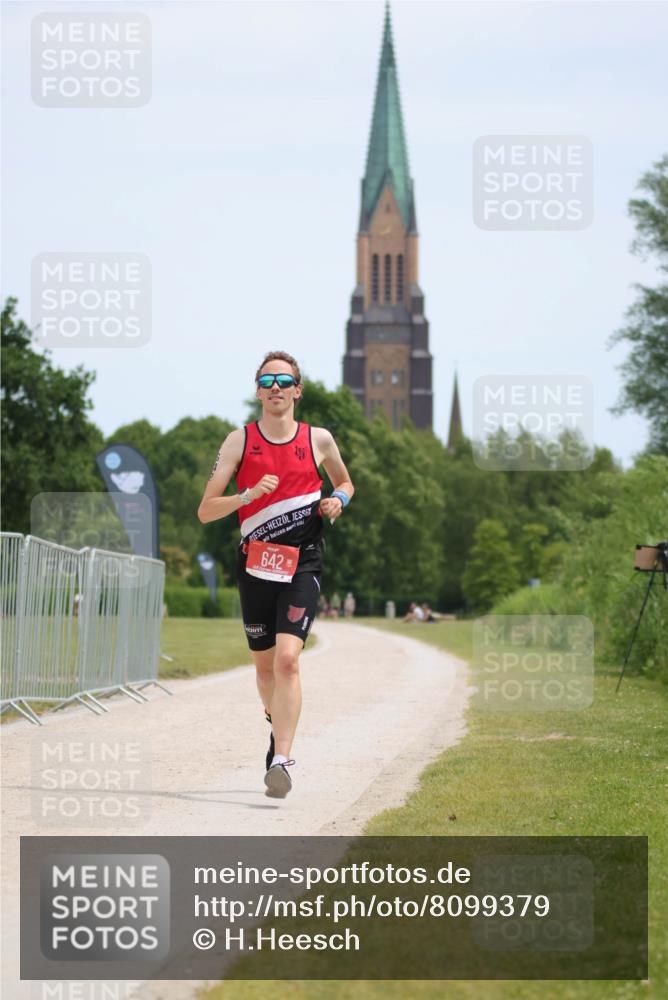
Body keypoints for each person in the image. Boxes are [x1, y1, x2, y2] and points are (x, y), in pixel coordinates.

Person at [197, 351, 354, 799]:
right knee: (264, 669)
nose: (276, 388)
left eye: (285, 380)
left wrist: (337, 501)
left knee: (288, 660)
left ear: (298, 390)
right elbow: (206, 510)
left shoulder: (318, 439)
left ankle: (282, 760)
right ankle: (276, 724)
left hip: (303, 560)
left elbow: (345, 482)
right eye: (268, 380)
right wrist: (245, 494)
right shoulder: (238, 442)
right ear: (258, 390)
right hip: (256, 565)